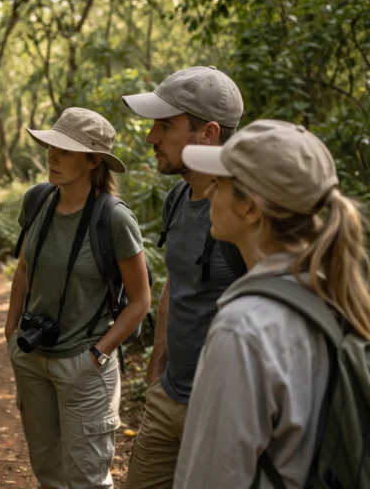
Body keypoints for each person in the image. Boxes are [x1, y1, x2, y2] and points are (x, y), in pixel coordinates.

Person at [173, 119, 370, 487]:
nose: (210, 194)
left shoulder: (244, 328)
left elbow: (212, 477)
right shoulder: (338, 295)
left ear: (250, 208)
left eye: (220, 184)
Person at [4, 107, 151, 489]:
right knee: (47, 470)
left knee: (86, 478)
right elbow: (24, 269)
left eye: (65, 151)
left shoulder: (114, 219)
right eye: (51, 147)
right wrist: (11, 331)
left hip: (84, 365)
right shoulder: (37, 201)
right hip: (32, 356)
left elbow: (140, 301)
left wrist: (98, 354)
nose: (52, 157)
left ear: (93, 161)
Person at [121, 66, 246, 489]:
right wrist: (158, 365)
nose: (151, 137)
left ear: (208, 133)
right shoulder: (177, 197)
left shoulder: (247, 213)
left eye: (165, 125)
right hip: (168, 394)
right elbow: (176, 281)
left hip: (223, 411)